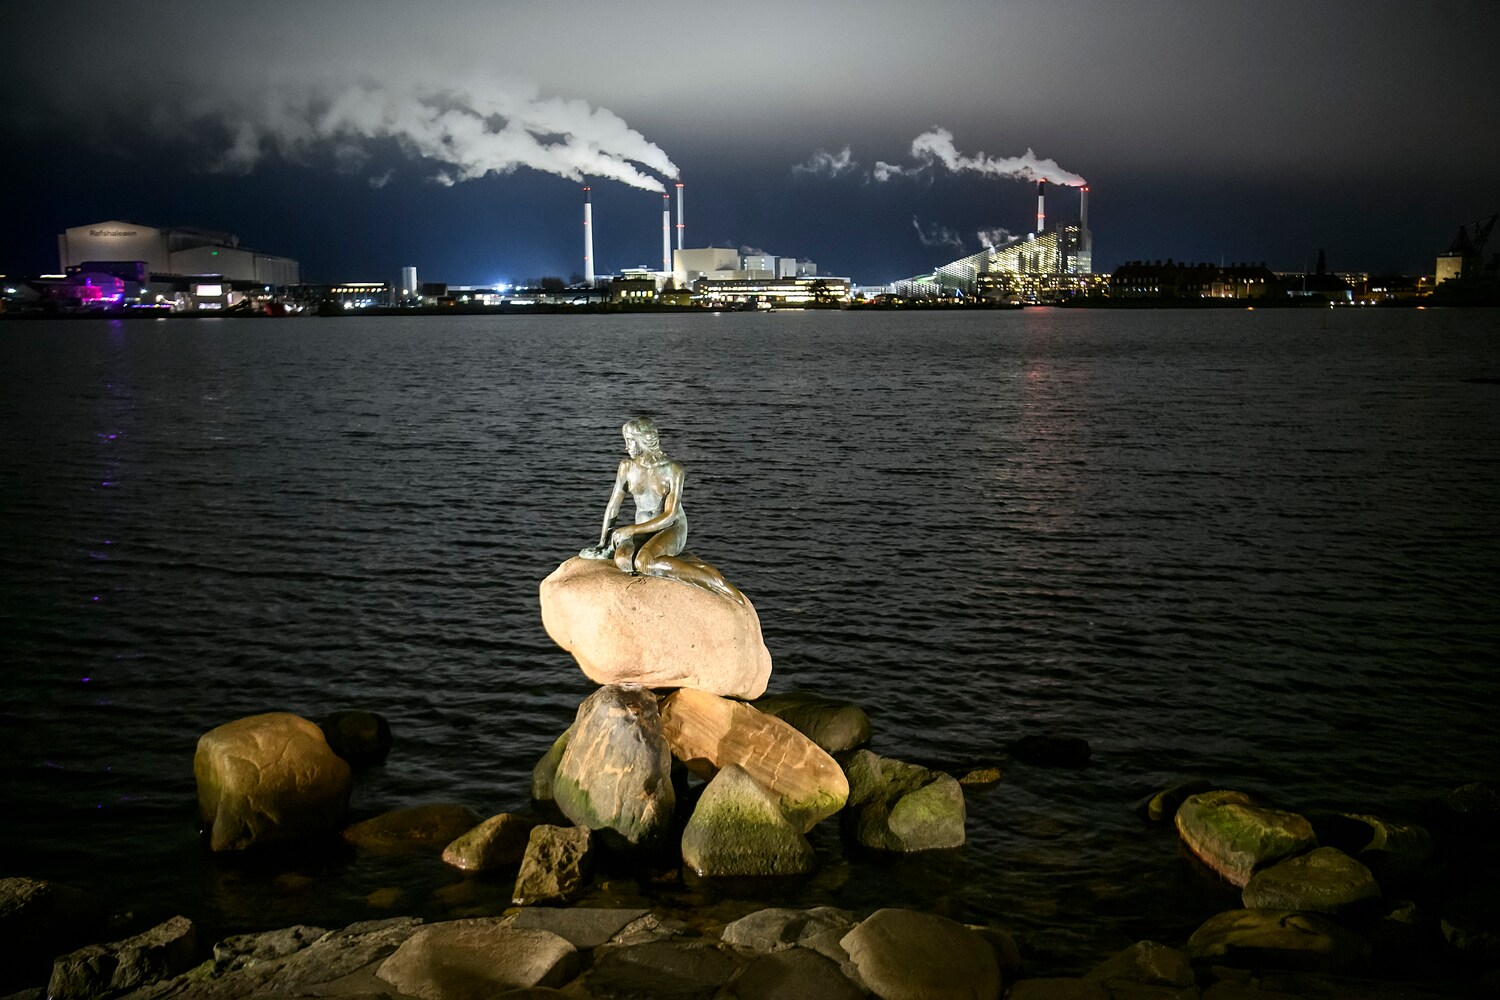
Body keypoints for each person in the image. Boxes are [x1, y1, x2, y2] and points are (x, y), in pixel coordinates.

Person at [580, 417, 744, 604]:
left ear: (644, 439)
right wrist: (602, 543)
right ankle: (692, 565)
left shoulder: (673, 470)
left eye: (630, 441)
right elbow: (613, 505)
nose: (627, 447)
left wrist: (630, 530)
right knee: (623, 561)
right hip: (642, 528)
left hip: (671, 528)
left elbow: (669, 516)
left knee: (644, 562)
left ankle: (714, 581)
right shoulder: (627, 467)